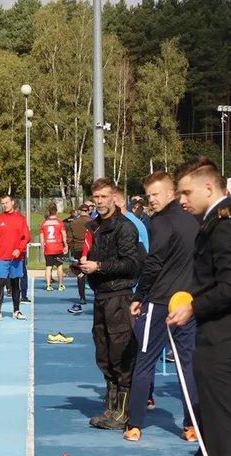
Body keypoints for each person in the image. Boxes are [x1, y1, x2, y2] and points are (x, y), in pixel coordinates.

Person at [165, 157, 231, 456]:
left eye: (185, 191)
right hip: (216, 334)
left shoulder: (226, 226)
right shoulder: (213, 223)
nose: (181, 199)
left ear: (209, 188)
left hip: (225, 336)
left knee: (221, 422)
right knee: (209, 420)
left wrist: (193, 307)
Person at [124, 171, 199, 443]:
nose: (151, 200)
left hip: (159, 303)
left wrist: (139, 296)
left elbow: (154, 263)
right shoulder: (194, 218)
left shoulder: (162, 221)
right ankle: (192, 426)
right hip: (187, 303)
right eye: (148, 195)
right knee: (188, 365)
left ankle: (134, 424)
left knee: (144, 361)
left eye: (156, 194)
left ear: (171, 193)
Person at [79, 178, 140, 430]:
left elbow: (132, 264)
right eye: (96, 197)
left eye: (104, 197)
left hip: (119, 296)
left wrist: (100, 266)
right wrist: (83, 267)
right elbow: (92, 257)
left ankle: (123, 411)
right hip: (101, 295)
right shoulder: (93, 226)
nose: (100, 202)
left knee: (121, 352)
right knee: (103, 353)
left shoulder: (125, 228)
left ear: (114, 196)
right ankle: (111, 407)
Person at [0, 195, 29, 321]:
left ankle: (16, 310)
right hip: (1, 257)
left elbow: (26, 237)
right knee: (0, 283)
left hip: (16, 258)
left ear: (12, 203)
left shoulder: (21, 219)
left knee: (16, 284)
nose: (5, 205)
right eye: (2, 203)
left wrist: (19, 249)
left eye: (7, 202)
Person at [66, 203, 92, 313]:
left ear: (80, 211)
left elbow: (69, 238)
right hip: (90, 249)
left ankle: (82, 297)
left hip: (77, 249)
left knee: (80, 273)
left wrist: (72, 249)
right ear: (88, 211)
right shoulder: (92, 222)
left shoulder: (74, 223)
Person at [40, 202, 67, 291]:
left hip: (48, 247)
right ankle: (60, 285)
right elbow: (63, 235)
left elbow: (42, 236)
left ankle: (48, 285)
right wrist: (65, 245)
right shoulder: (59, 223)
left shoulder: (44, 223)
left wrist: (43, 246)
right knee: (59, 266)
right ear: (56, 211)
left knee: (48, 266)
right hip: (58, 247)